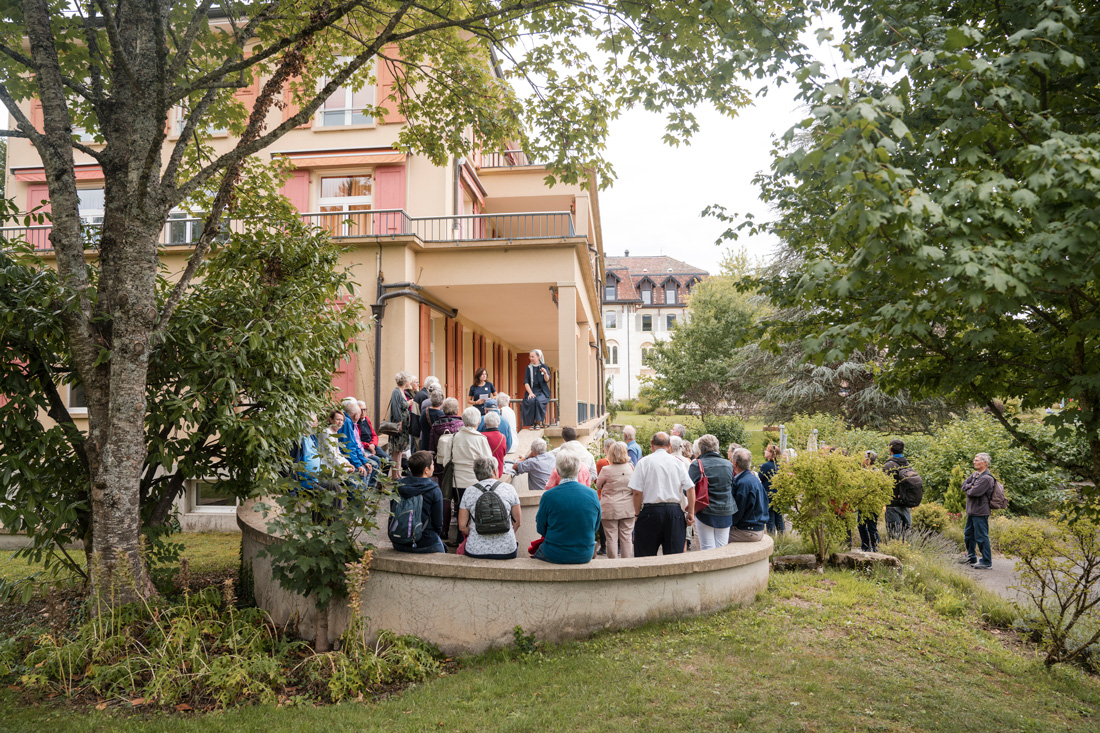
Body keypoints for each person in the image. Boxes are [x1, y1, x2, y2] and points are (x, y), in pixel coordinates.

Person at [630, 432, 694, 557]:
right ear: (669, 445)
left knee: (645, 556)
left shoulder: (643, 462)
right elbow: (690, 488)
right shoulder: (678, 463)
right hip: (674, 512)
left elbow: (637, 492)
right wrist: (691, 512)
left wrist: (637, 513)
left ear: (651, 444)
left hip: (650, 512)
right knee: (674, 557)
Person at [533, 450, 602, 564]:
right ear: (579, 469)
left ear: (558, 471)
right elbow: (595, 526)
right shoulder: (592, 494)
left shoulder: (548, 496)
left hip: (555, 552)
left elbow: (540, 528)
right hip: (585, 553)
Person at [459, 457, 522, 559]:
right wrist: (507, 532)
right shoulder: (509, 489)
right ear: (495, 471)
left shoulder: (469, 491)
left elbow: (462, 526)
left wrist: (476, 531)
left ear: (476, 474)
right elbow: (518, 522)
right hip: (507, 549)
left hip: (476, 549)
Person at [391, 451, 445, 554]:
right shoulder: (433, 489)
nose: (433, 467)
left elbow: (392, 511)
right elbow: (438, 522)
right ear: (426, 470)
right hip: (425, 541)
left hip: (398, 540)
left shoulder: (398, 486)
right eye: (432, 464)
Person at [437, 407, 493, 505]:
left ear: (463, 421)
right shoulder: (481, 439)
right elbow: (489, 464)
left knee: (460, 509)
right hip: (476, 482)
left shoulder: (453, 437)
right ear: (479, 421)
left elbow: (446, 462)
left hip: (456, 483)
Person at [690, 434, 736, 551]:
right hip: (726, 510)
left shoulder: (697, 464)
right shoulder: (728, 465)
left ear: (701, 448)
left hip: (705, 510)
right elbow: (731, 485)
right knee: (722, 547)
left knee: (707, 548)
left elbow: (689, 491)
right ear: (717, 447)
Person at [595, 441, 636, 559]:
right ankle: (626, 563)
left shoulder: (606, 469)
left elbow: (598, 485)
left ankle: (613, 563)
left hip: (610, 507)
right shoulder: (630, 467)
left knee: (611, 537)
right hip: (627, 507)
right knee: (626, 537)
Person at [959, 453, 996, 569]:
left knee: (981, 536)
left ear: (985, 463)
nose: (974, 462)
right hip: (972, 510)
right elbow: (963, 485)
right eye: (974, 460)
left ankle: (986, 561)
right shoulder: (975, 475)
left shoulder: (986, 478)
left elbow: (973, 492)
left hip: (981, 511)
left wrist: (970, 488)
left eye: (977, 460)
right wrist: (970, 486)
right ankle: (971, 556)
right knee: (968, 535)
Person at [729, 447, 768, 542]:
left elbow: (737, 512)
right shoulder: (754, 479)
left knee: (717, 537)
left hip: (748, 531)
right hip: (757, 528)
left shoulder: (743, 483)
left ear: (735, 463)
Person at [883, 439, 913, 538]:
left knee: (894, 535)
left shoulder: (888, 466)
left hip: (893, 504)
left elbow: (883, 484)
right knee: (906, 536)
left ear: (890, 450)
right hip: (905, 504)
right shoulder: (907, 465)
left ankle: (895, 553)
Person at [522, 349, 552, 428]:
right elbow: (526, 382)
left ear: (538, 357)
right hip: (531, 391)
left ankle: (539, 422)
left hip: (542, 391)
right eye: (530, 357)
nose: (531, 358)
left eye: (533, 356)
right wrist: (530, 393)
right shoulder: (528, 368)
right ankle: (532, 423)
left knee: (538, 401)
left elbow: (547, 380)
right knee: (531, 400)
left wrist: (545, 373)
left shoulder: (544, 367)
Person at [857, 450, 880, 551]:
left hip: (872, 504)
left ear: (868, 460)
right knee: (861, 525)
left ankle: (876, 547)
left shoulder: (876, 473)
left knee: (872, 527)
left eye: (863, 458)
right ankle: (866, 546)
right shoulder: (862, 471)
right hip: (863, 503)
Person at [355, 399, 390, 464]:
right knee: (377, 461)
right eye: (361, 410)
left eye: (364, 410)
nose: (363, 412)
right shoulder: (355, 423)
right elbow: (356, 440)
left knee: (388, 460)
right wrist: (368, 446)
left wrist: (373, 444)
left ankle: (383, 474)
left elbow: (374, 435)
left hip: (372, 445)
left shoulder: (367, 419)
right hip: (363, 447)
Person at [759, 444, 784, 534]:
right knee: (779, 519)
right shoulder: (780, 465)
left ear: (771, 454)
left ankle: (772, 539)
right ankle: (783, 539)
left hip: (769, 496)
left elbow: (759, 478)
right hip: (779, 495)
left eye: (766, 450)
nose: (765, 452)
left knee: (770, 520)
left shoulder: (766, 466)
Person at [388, 371, 413, 455]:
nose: (410, 382)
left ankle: (399, 467)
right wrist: (399, 423)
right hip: (399, 425)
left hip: (404, 426)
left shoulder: (402, 391)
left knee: (400, 450)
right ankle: (396, 467)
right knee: (396, 448)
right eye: (409, 380)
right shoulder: (396, 392)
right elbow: (395, 408)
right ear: (405, 381)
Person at [479, 410, 508, 476]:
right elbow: (504, 453)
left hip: (483, 472)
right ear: (498, 424)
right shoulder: (502, 437)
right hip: (497, 472)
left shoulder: (481, 436)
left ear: (485, 424)